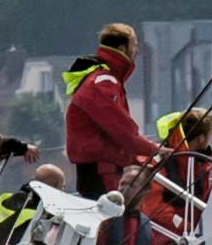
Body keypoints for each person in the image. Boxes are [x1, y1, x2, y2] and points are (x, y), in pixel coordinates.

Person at [64, 25, 159, 200]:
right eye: (135, 45)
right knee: (111, 223)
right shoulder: (103, 82)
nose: (137, 51)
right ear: (122, 49)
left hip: (101, 170)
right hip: (101, 172)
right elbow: (124, 134)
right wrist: (156, 150)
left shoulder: (103, 79)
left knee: (117, 221)